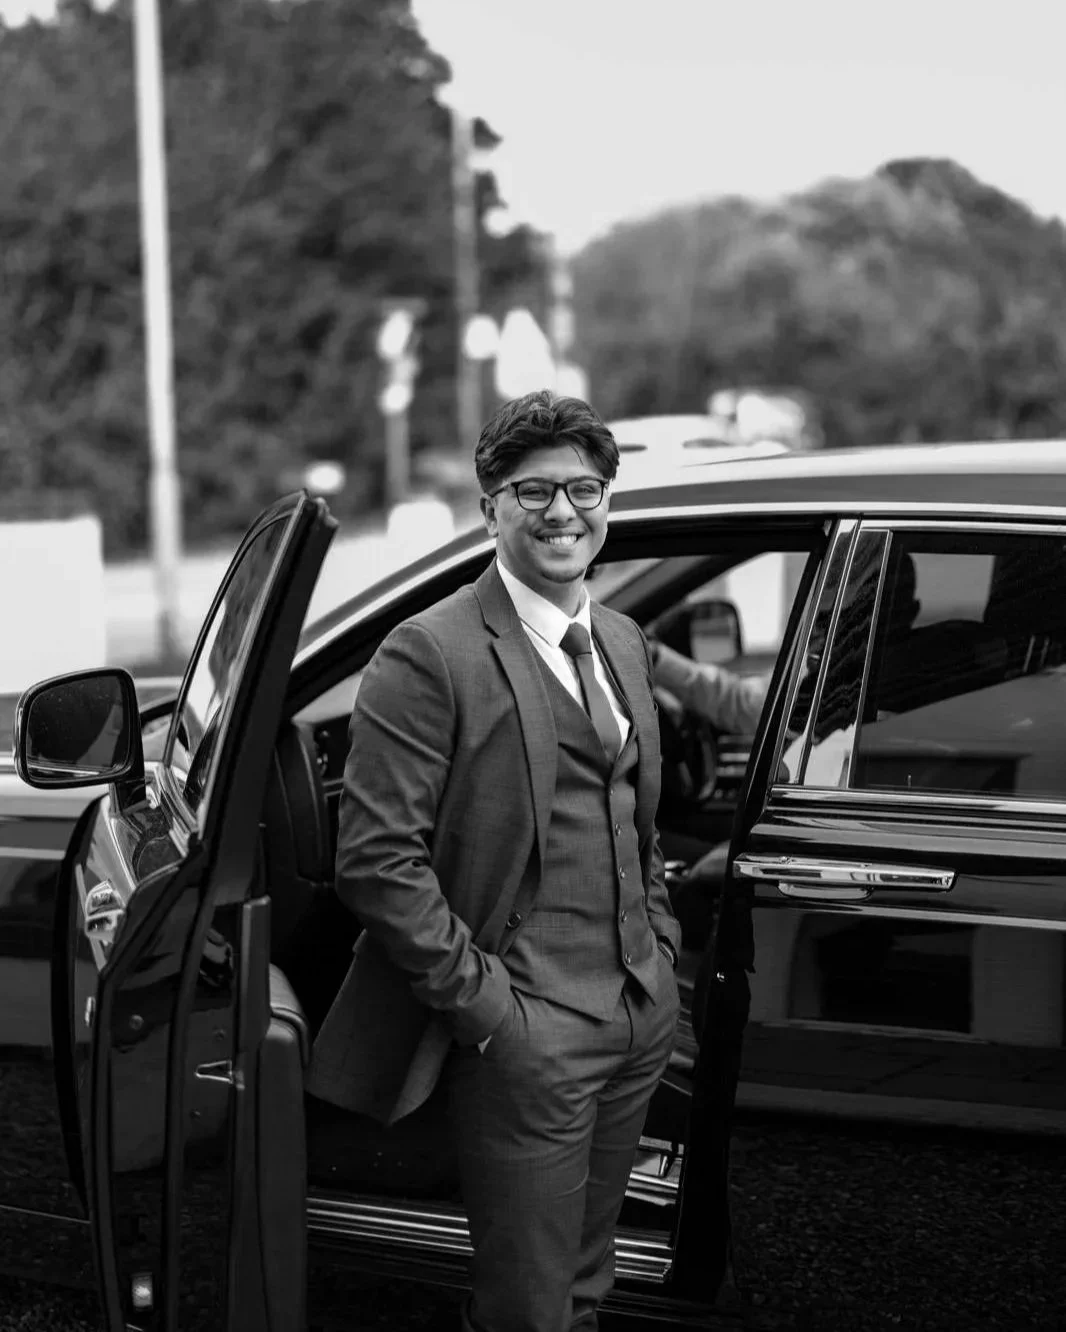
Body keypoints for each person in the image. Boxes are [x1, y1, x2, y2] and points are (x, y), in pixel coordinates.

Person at [308, 389, 682, 1332]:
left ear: (607, 502)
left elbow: (636, 819)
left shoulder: (623, 640)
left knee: (588, 1284)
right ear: (490, 509)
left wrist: (662, 949)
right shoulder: (428, 652)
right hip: (527, 1033)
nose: (562, 512)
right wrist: (492, 1016)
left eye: (583, 489)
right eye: (533, 491)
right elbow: (377, 863)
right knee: (526, 1305)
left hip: (638, 1014)